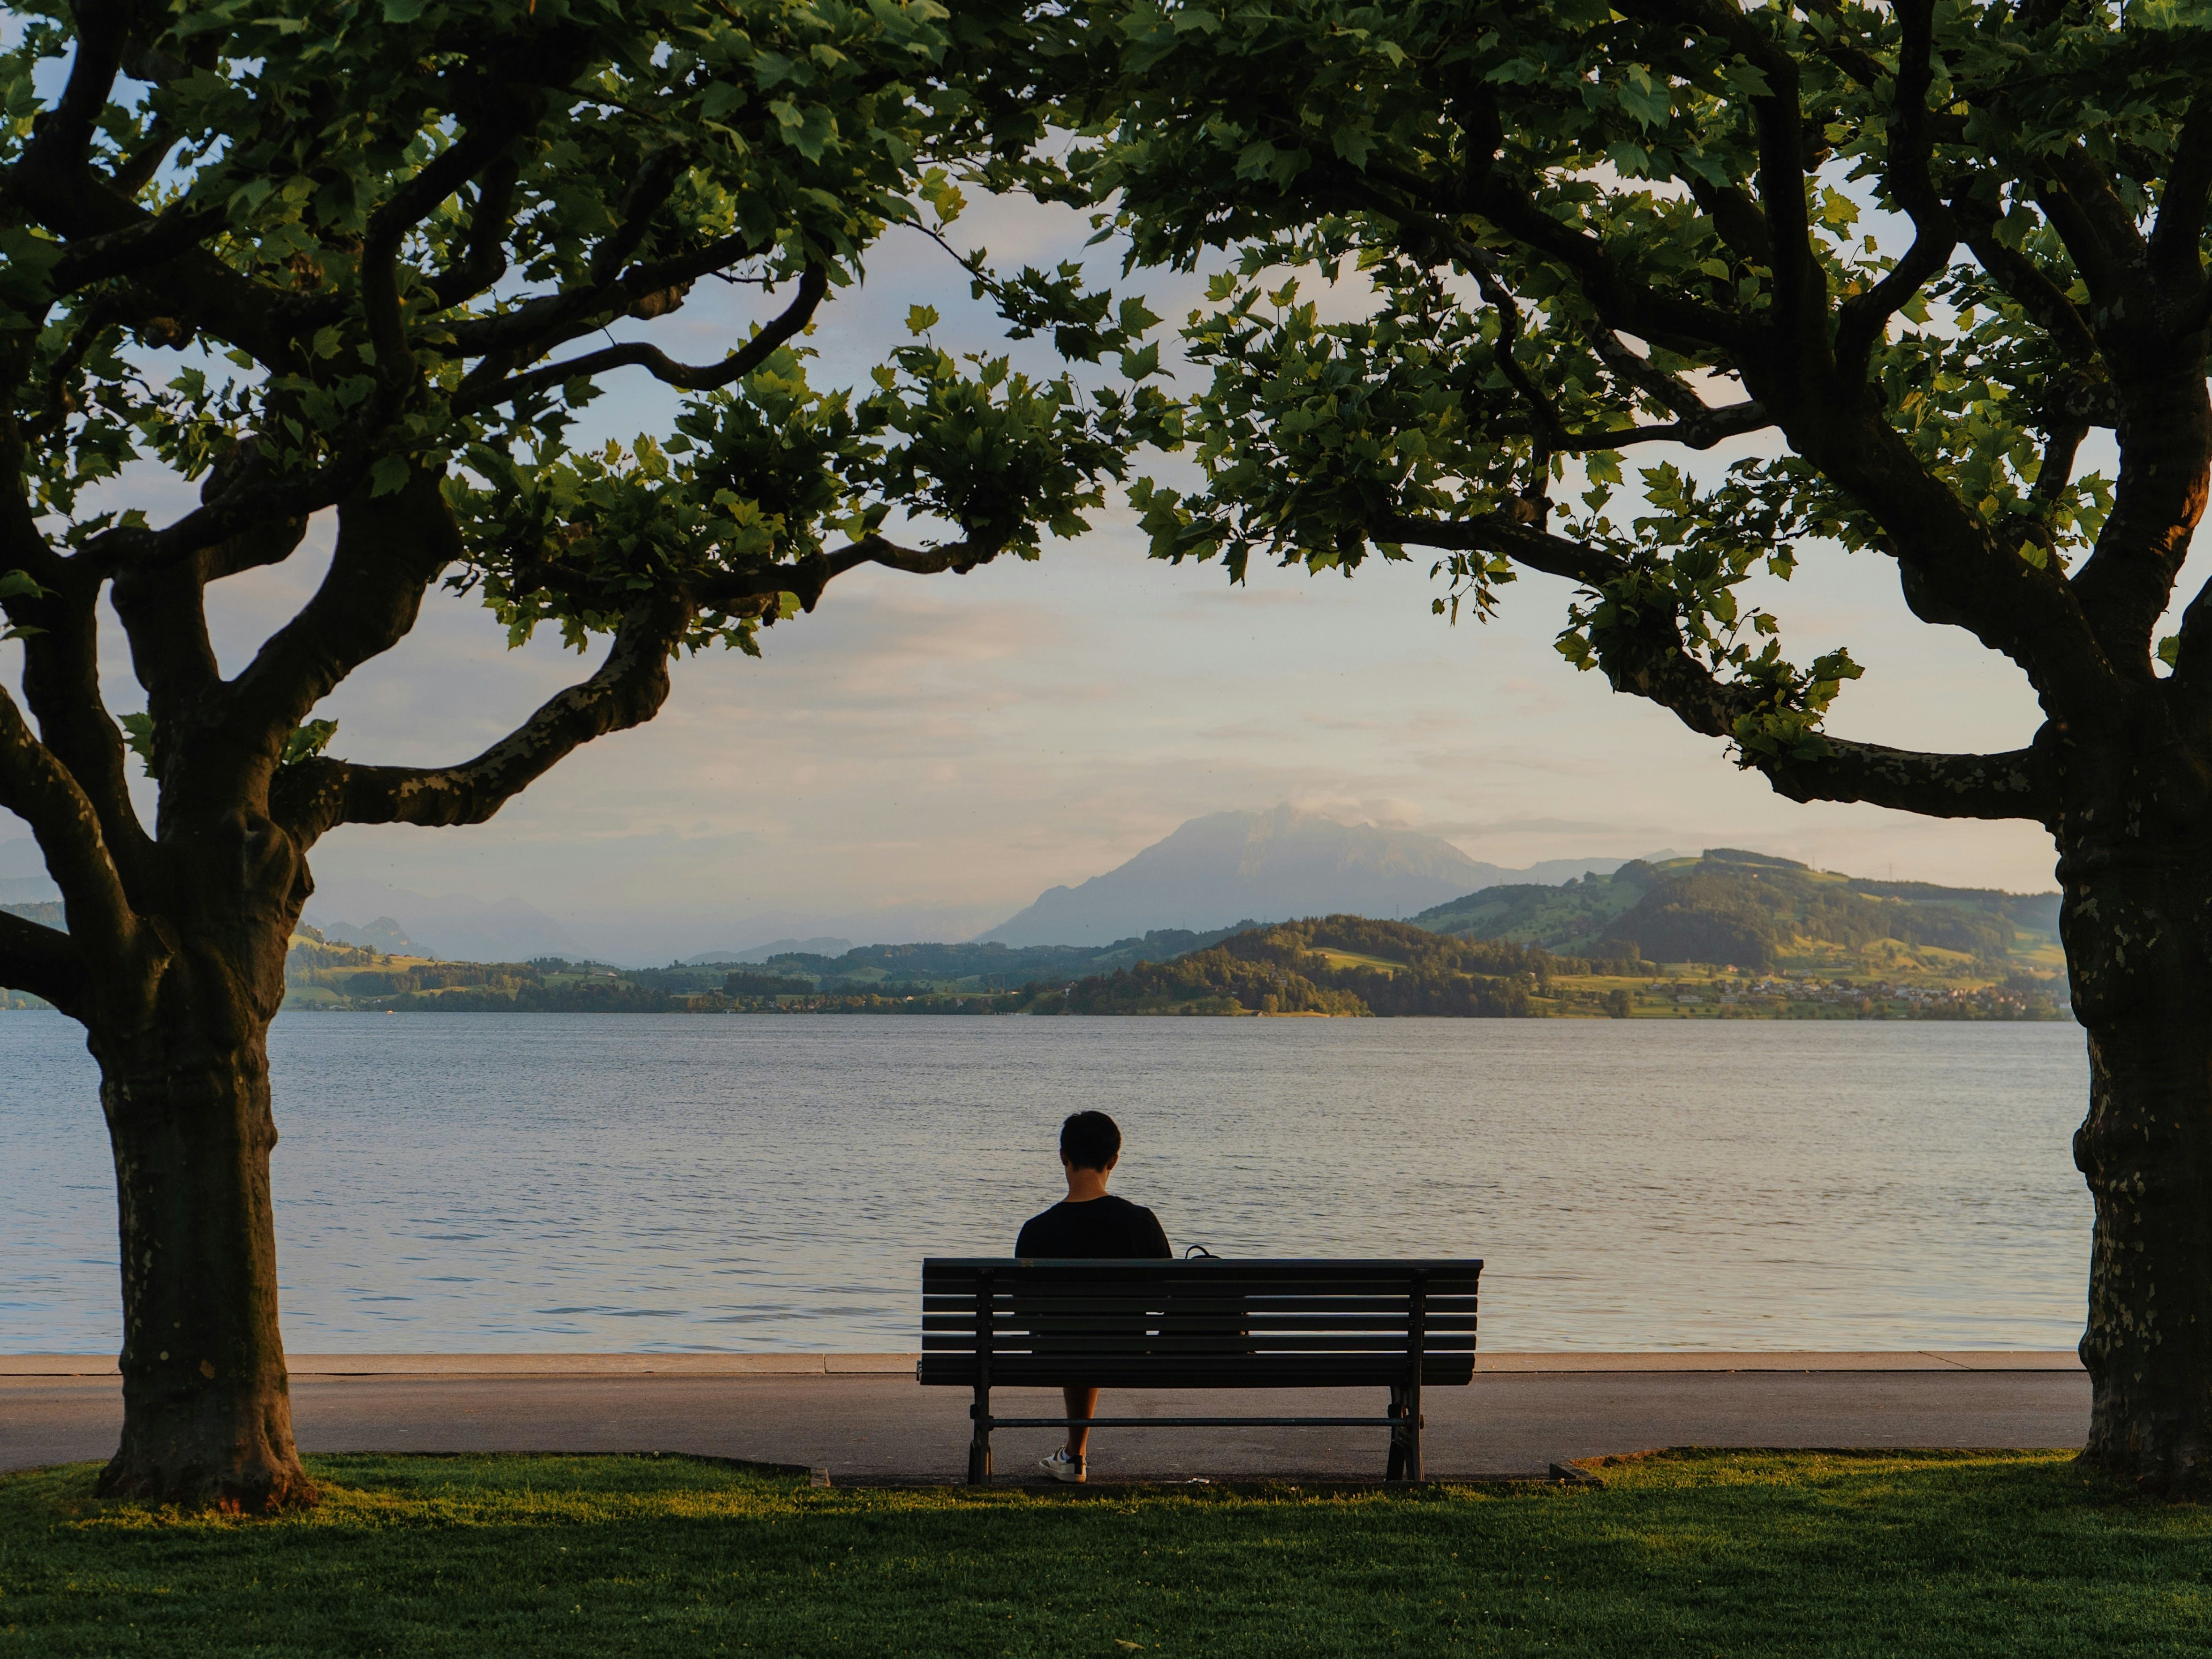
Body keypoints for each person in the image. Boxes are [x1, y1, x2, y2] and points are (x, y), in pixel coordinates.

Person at [1015, 1110, 1170, 1483]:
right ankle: (1074, 1454)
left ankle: (1074, 1456)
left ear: (1063, 1157)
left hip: (1055, 1352)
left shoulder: (1035, 1231)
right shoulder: (1141, 1222)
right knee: (1094, 1334)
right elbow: (1170, 1297)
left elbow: (1022, 1312)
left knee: (1073, 1336)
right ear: (1113, 1160)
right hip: (1126, 1350)